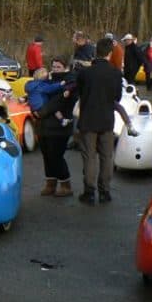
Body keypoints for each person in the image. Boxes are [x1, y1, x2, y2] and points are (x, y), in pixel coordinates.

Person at [75, 38, 123, 205]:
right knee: (106, 156)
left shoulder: (85, 73)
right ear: (110, 53)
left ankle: (89, 192)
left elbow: (79, 92)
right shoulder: (116, 73)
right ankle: (105, 191)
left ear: (96, 52)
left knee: (89, 157)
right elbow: (117, 97)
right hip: (107, 119)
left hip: (88, 119)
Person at [27, 60, 77, 197]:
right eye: (53, 66)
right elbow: (34, 97)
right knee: (47, 156)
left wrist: (43, 111)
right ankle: (50, 183)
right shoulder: (46, 81)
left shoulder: (69, 83)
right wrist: (34, 108)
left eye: (58, 66)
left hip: (59, 127)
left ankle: (66, 184)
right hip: (43, 125)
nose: (55, 69)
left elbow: (58, 102)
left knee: (56, 156)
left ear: (66, 68)